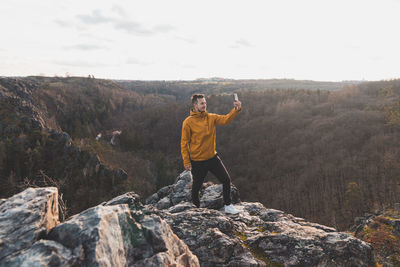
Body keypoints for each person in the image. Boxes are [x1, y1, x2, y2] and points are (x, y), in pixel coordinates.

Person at [181, 94, 242, 214]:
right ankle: (196, 209)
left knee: (226, 180)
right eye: (201, 103)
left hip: (212, 158)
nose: (204, 105)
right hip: (197, 161)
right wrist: (186, 161)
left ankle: (228, 206)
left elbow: (226, 119)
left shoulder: (211, 117)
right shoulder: (188, 122)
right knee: (196, 187)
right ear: (195, 105)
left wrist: (236, 110)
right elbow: (184, 143)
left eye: (205, 103)